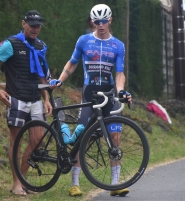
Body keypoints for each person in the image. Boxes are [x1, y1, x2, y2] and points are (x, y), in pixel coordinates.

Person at [50, 4, 132, 197]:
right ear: (92, 21)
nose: (100, 25)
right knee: (82, 137)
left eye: (104, 21)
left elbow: (119, 73)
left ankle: (115, 184)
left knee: (115, 137)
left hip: (109, 94)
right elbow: (72, 63)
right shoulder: (84, 40)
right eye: (97, 21)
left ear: (110, 20)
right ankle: (75, 183)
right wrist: (60, 80)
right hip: (90, 93)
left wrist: (120, 91)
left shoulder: (118, 45)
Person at [0, 10, 52, 196]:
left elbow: (42, 76)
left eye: (38, 26)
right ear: (24, 24)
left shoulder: (40, 46)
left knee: (37, 140)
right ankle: (16, 184)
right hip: (17, 100)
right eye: (32, 25)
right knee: (17, 141)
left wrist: (46, 99)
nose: (35, 29)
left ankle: (23, 179)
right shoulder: (11, 44)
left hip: (36, 100)